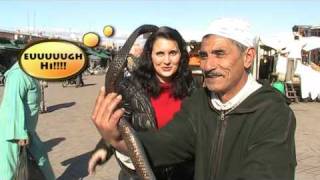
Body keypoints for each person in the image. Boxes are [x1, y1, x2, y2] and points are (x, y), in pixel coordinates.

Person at [91, 18, 297, 180]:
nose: (208, 65)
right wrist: (118, 141)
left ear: (248, 57)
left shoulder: (272, 112)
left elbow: (266, 173)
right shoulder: (200, 101)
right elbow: (166, 144)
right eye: (205, 55)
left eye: (219, 53)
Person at [89, 26, 196, 180]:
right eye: (160, 53)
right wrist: (104, 148)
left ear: (181, 55)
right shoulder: (130, 87)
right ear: (150, 56)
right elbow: (119, 123)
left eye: (172, 53)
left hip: (183, 173)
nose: (166, 61)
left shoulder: (192, 86)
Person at [0, 62, 55, 180]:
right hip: (13, 132)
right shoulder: (18, 75)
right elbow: (12, 103)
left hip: (26, 130)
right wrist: (20, 134)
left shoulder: (29, 71)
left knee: (41, 161)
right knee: (9, 171)